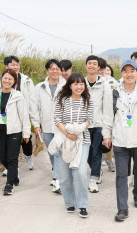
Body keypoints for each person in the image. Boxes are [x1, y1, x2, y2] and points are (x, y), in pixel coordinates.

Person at [103, 59, 137, 222]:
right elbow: (107, 115)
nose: (129, 74)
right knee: (121, 175)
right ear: (121, 73)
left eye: (132, 71)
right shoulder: (114, 92)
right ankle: (122, 208)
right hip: (120, 140)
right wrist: (107, 134)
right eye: (125, 71)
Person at [54, 73, 94, 218]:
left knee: (80, 172)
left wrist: (79, 128)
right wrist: (68, 134)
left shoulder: (88, 100)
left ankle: (82, 204)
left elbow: (90, 119)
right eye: (76, 84)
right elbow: (57, 119)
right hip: (65, 140)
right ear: (70, 85)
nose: (79, 87)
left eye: (81, 84)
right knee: (64, 175)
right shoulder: (62, 100)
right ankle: (70, 202)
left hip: (82, 141)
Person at [0, 56, 36, 174]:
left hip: (23, 114)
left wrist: (32, 114)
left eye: (17, 64)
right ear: (6, 66)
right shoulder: (1, 80)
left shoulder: (27, 80)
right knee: (10, 141)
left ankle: (28, 156)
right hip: (6, 116)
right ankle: (11, 167)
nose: (16, 67)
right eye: (13, 64)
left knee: (26, 139)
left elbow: (32, 98)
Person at [31, 59, 66, 193]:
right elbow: (34, 107)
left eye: (57, 69)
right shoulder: (39, 87)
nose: (55, 71)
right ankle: (56, 175)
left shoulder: (66, 86)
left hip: (61, 126)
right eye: (52, 68)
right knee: (51, 152)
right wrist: (36, 124)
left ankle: (58, 180)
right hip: (46, 126)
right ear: (47, 71)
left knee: (58, 153)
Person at [85, 55, 110, 193]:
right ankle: (97, 170)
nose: (92, 66)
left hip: (99, 123)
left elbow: (107, 107)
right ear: (86, 66)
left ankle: (94, 179)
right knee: (87, 151)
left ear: (98, 67)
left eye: (95, 64)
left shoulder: (104, 85)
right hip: (85, 124)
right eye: (90, 63)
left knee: (96, 152)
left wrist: (107, 127)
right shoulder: (81, 83)